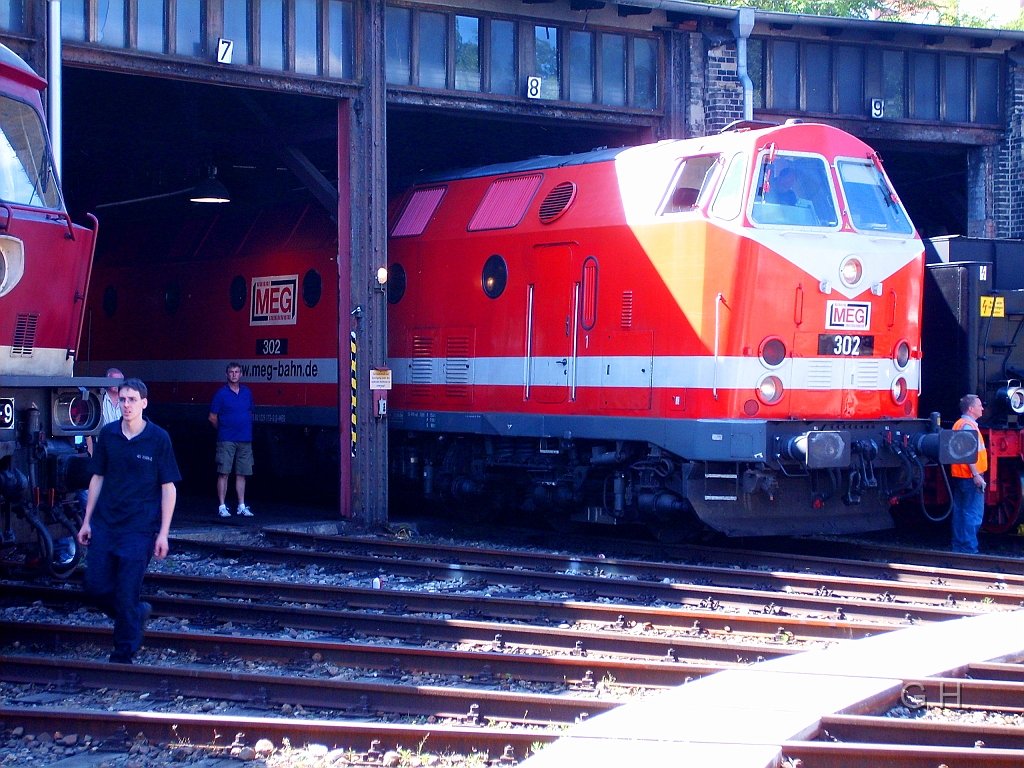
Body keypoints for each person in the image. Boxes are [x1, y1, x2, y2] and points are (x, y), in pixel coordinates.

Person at [77, 378, 181, 663]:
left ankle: (123, 655)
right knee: (95, 587)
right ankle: (135, 614)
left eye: (132, 399)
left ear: (144, 403)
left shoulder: (158, 438)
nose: (126, 405)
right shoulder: (109, 435)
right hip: (105, 524)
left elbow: (168, 487)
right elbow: (96, 478)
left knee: (126, 592)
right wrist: (87, 521)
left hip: (140, 529)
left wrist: (164, 533)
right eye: (122, 399)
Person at [209, 362, 255, 518]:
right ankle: (222, 506)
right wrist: (223, 430)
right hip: (227, 439)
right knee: (224, 472)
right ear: (226, 375)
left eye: (236, 372)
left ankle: (241, 506)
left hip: (245, 439)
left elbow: (249, 411)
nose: (234, 374)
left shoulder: (247, 392)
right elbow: (212, 417)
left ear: (241, 374)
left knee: (242, 473)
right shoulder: (220, 394)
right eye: (231, 372)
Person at [950, 394, 988, 554]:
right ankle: (969, 550)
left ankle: (959, 548)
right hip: (970, 477)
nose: (982, 408)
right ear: (971, 409)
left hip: (960, 475)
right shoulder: (968, 426)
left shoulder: (961, 424)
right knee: (972, 514)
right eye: (979, 406)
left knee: (960, 513)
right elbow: (967, 453)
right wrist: (976, 475)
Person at [86, 368, 125, 456]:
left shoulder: (126, 402)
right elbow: (87, 433)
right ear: (106, 381)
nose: (117, 384)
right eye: (113, 380)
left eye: (119, 380)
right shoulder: (97, 400)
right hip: (102, 448)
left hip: (123, 448)